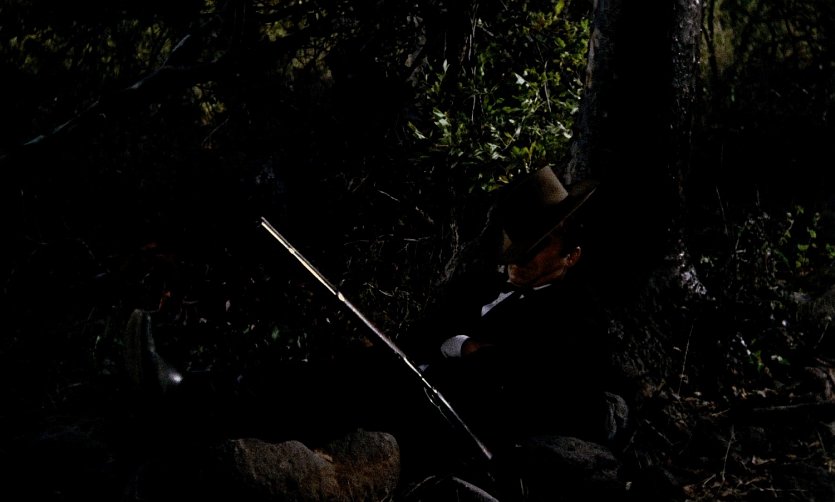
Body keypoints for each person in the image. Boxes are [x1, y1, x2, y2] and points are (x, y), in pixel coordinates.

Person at [404, 165, 629, 501]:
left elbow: (523, 374)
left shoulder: (577, 314)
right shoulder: (474, 286)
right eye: (520, 239)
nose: (522, 255)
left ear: (571, 256)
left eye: (540, 243)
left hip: (479, 436)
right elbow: (419, 336)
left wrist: (464, 350)